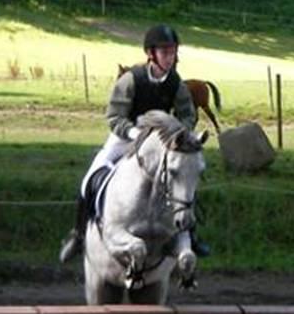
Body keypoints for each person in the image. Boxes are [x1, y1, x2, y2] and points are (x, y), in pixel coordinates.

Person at [59, 24, 210, 263]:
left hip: (161, 142)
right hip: (126, 136)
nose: (170, 58)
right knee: (91, 176)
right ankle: (77, 235)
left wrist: (179, 134)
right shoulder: (131, 79)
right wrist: (131, 132)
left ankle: (191, 235)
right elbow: (114, 116)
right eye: (165, 52)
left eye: (172, 52)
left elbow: (187, 114)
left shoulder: (176, 83)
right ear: (151, 53)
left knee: (184, 176)